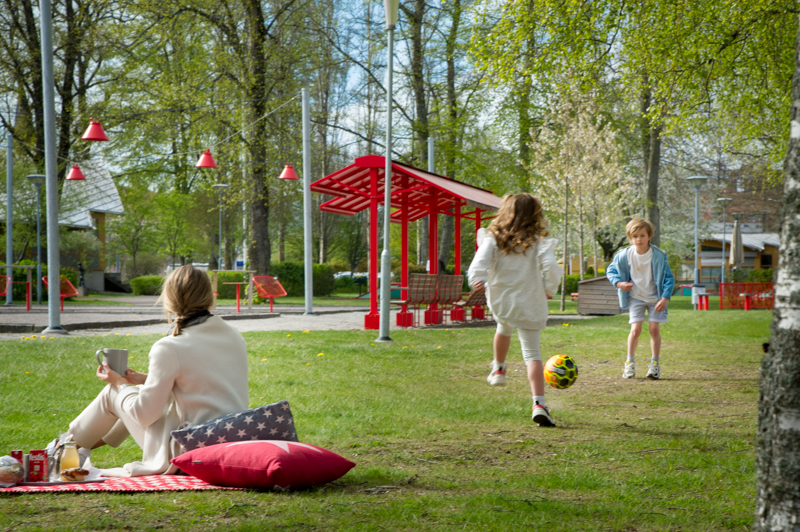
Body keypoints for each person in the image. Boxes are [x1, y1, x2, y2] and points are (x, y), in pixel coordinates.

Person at [67, 265, 249, 477]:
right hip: (232, 439)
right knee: (138, 393)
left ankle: (62, 451)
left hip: (189, 449)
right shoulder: (234, 335)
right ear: (209, 296)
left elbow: (144, 415)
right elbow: (207, 383)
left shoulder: (170, 347)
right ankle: (73, 449)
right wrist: (146, 379)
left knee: (113, 394)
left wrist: (119, 383)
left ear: (169, 298)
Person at [467, 194, 563, 427]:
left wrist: (476, 280)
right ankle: (538, 404)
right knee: (532, 353)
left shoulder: (494, 237)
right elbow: (551, 267)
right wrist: (549, 288)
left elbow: (479, 262)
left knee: (504, 325)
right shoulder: (538, 240)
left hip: (503, 300)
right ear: (535, 214)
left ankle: (499, 369)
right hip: (529, 301)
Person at [606, 218, 675, 380]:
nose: (639, 239)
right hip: (636, 298)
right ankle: (629, 363)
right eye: (635, 236)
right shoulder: (624, 255)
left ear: (649, 236)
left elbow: (669, 279)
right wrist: (619, 283)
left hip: (655, 299)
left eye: (642, 235)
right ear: (630, 238)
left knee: (653, 329)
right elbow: (611, 270)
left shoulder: (658, 256)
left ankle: (655, 365)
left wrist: (665, 298)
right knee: (635, 330)